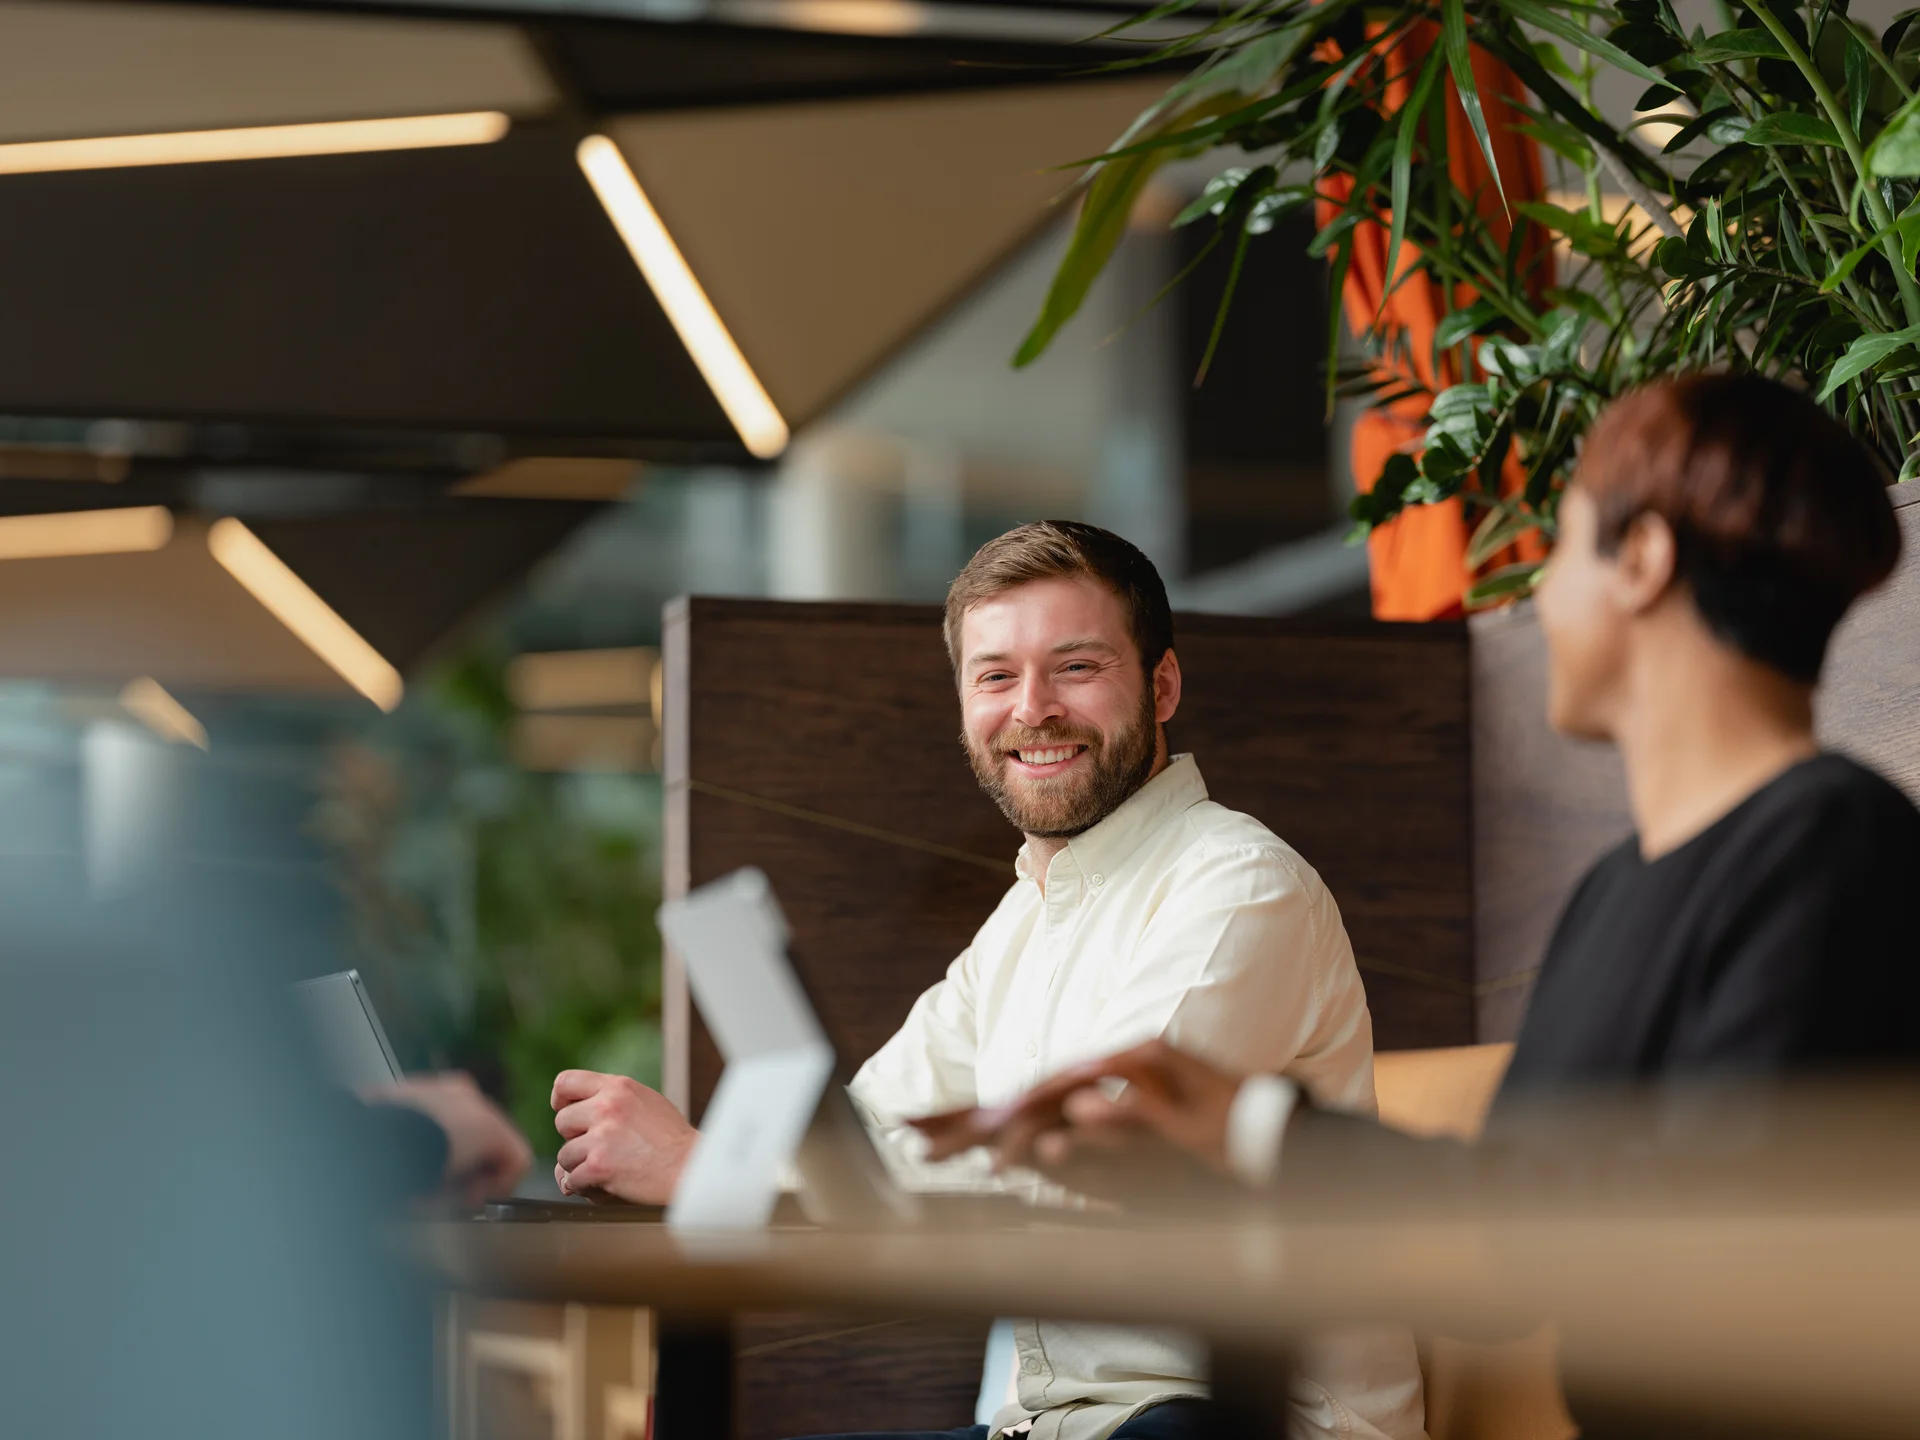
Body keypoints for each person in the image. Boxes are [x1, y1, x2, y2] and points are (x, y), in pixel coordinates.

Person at [914, 374, 1920, 1416]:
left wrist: (1262, 1133)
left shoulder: (1835, 845)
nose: (1536, 596)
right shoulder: (1619, 893)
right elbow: (1504, 1259)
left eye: (1561, 544)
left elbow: (1696, 1253)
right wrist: (1254, 1131)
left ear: (1645, 563)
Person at [548, 521, 1428, 1440]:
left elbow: (1093, 1160)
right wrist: (713, 1160)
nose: (1032, 708)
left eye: (1077, 667)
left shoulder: (1241, 886)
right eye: (996, 676)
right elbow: (872, 1134)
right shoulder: (1021, 922)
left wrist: (699, 1169)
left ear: (1162, 685)